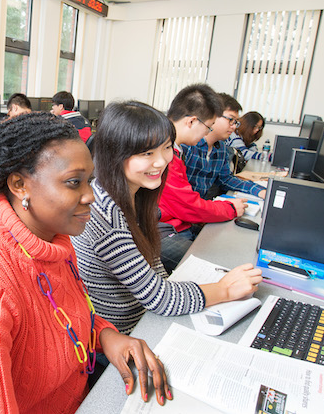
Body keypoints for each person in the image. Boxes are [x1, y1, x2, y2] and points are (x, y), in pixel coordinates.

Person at [0, 112, 172, 414]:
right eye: (73, 183)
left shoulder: (54, 236)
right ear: (20, 184)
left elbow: (62, 315)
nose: (90, 196)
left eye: (89, 181)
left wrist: (106, 335)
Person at [71, 101, 262, 335]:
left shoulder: (134, 194)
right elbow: (159, 298)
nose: (162, 161)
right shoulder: (105, 213)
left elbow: (153, 265)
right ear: (115, 155)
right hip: (126, 332)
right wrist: (224, 290)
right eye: (147, 153)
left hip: (144, 317)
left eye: (166, 148)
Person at [157, 84, 247, 272]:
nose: (208, 133)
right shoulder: (162, 153)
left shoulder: (174, 149)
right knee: (216, 267)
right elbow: (187, 205)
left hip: (176, 223)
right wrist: (230, 208)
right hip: (160, 230)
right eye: (208, 127)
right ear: (191, 122)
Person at [184, 93, 267, 200]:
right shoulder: (189, 145)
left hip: (200, 208)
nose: (233, 127)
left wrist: (259, 190)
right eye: (230, 120)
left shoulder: (221, 148)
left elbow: (226, 179)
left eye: (236, 122)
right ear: (212, 115)